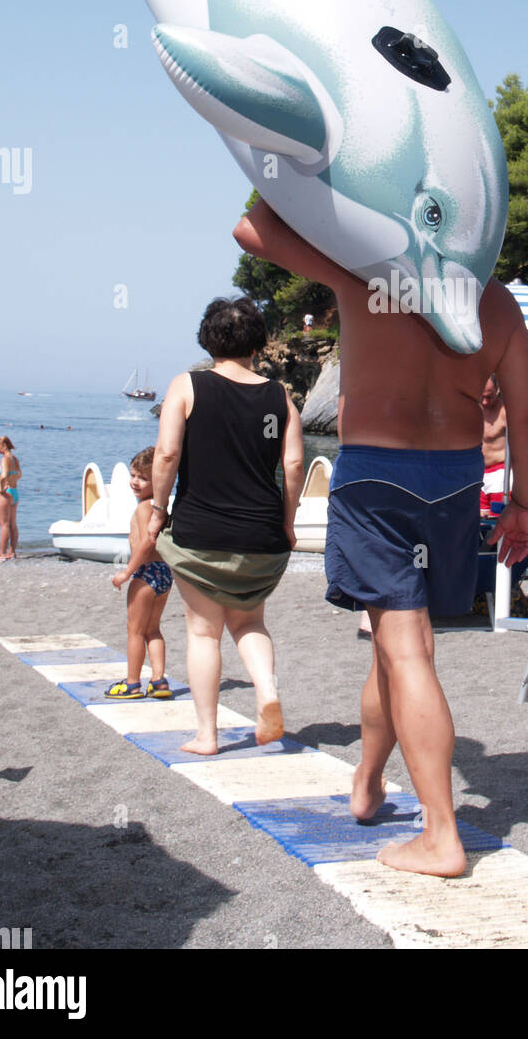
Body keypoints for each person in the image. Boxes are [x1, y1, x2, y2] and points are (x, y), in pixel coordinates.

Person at [234, 200, 528, 878]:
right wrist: (523, 504)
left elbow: (250, 229)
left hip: (376, 474)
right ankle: (369, 782)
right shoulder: (496, 302)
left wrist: (297, 173)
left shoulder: (368, 272)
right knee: (394, 642)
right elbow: (524, 411)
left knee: (407, 650)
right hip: (456, 481)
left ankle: (440, 834)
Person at [148, 297, 306, 753]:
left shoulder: (187, 385)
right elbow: (294, 464)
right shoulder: (279, 396)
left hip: (201, 533)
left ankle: (207, 734)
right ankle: (268, 692)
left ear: (208, 337)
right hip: (263, 536)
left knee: (203, 632)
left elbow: (167, 455)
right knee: (249, 622)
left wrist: (159, 510)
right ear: (257, 342)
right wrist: (288, 521)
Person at [105, 448, 174, 700]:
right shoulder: (162, 508)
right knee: (152, 629)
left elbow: (148, 542)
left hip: (146, 573)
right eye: (133, 475)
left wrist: (127, 571)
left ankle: (132, 683)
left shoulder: (147, 507)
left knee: (134, 630)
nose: (135, 481)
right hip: (165, 574)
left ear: (157, 481)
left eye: (142, 478)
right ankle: (158, 680)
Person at [480, 375, 508, 516]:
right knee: (480, 526)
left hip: (500, 475)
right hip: (477, 475)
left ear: (497, 390)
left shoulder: (505, 412)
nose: (485, 402)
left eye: (489, 397)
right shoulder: (472, 409)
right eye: (481, 396)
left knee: (497, 523)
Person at [0, 436, 21, 562]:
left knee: (4, 525)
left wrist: (0, 485)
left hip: (6, 493)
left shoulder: (4, 459)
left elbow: (4, 475)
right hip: (15, 492)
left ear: (3, 446)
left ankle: (2, 553)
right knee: (12, 525)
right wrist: (3, 479)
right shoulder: (14, 459)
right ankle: (12, 552)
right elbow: (18, 474)